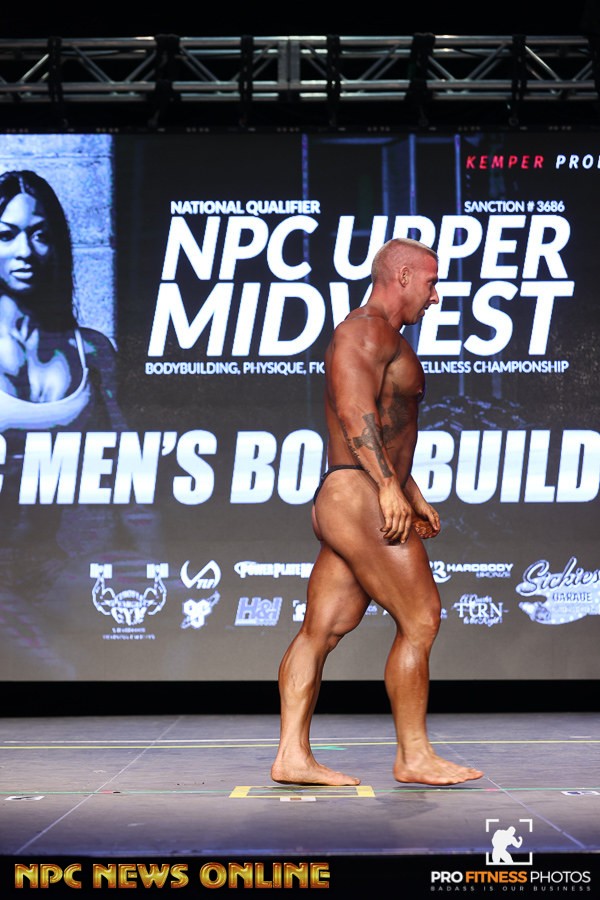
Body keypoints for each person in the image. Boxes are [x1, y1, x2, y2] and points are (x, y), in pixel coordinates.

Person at [271, 237, 484, 786]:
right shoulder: (364, 331)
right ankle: (414, 756)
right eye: (432, 283)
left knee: (322, 629)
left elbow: (385, 427)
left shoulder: (383, 337)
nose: (435, 296)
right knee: (421, 618)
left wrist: (409, 491)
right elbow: (354, 411)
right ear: (403, 276)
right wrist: (387, 488)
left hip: (355, 492)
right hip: (359, 493)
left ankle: (291, 756)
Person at [0, 169, 152, 676]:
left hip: (70, 574)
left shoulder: (93, 352)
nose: (25, 250)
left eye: (39, 234)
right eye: (6, 234)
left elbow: (131, 476)